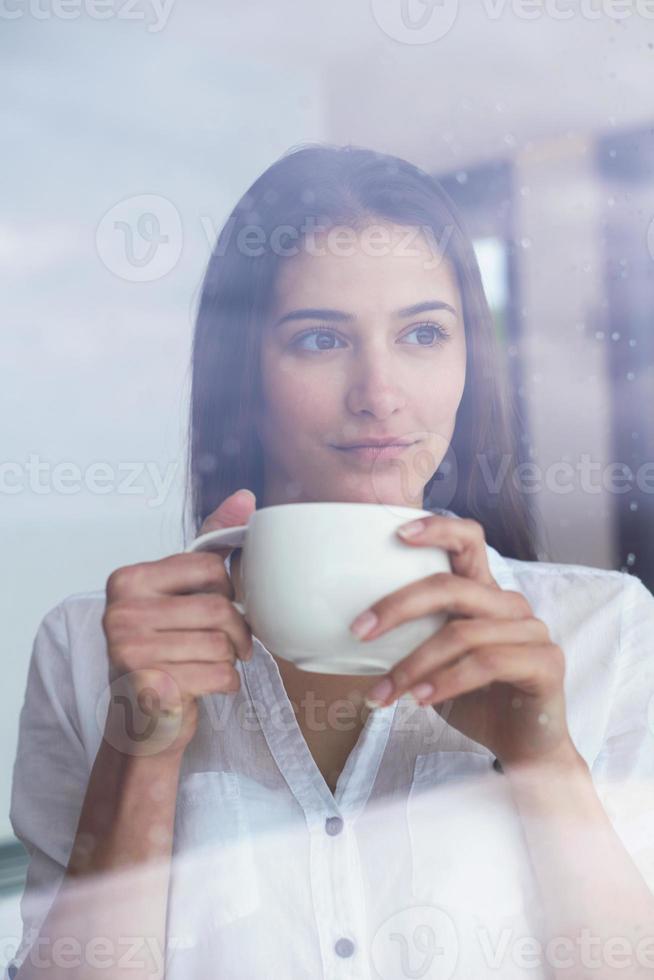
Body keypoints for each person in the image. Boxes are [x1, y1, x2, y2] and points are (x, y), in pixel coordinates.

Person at [8, 143, 654, 980]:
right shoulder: (91, 648)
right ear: (245, 377)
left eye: (424, 333)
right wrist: (143, 756)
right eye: (320, 339)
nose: (380, 393)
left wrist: (546, 764)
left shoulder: (607, 632)